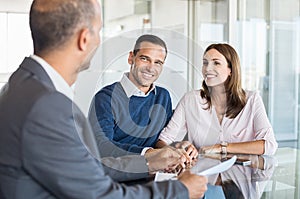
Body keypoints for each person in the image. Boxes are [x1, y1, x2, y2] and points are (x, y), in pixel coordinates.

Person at [0, 0, 208, 198]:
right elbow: (99, 194)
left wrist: (148, 162)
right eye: (98, 31)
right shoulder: (47, 105)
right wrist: (180, 190)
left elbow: (83, 168)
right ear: (84, 39)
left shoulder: (24, 87)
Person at [156, 43, 278, 155]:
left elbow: (269, 145)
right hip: (202, 176)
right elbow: (163, 141)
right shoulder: (190, 100)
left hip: (241, 176)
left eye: (216, 63)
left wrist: (221, 147)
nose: (208, 68)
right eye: (205, 63)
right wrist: (178, 148)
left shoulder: (252, 100)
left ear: (230, 70)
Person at [88, 34, 174, 156]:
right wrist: (147, 153)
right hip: (117, 173)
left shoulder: (163, 96)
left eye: (158, 62)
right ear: (131, 58)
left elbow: (162, 139)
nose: (150, 68)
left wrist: (179, 147)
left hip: (155, 172)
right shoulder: (105, 98)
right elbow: (102, 146)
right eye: (144, 59)